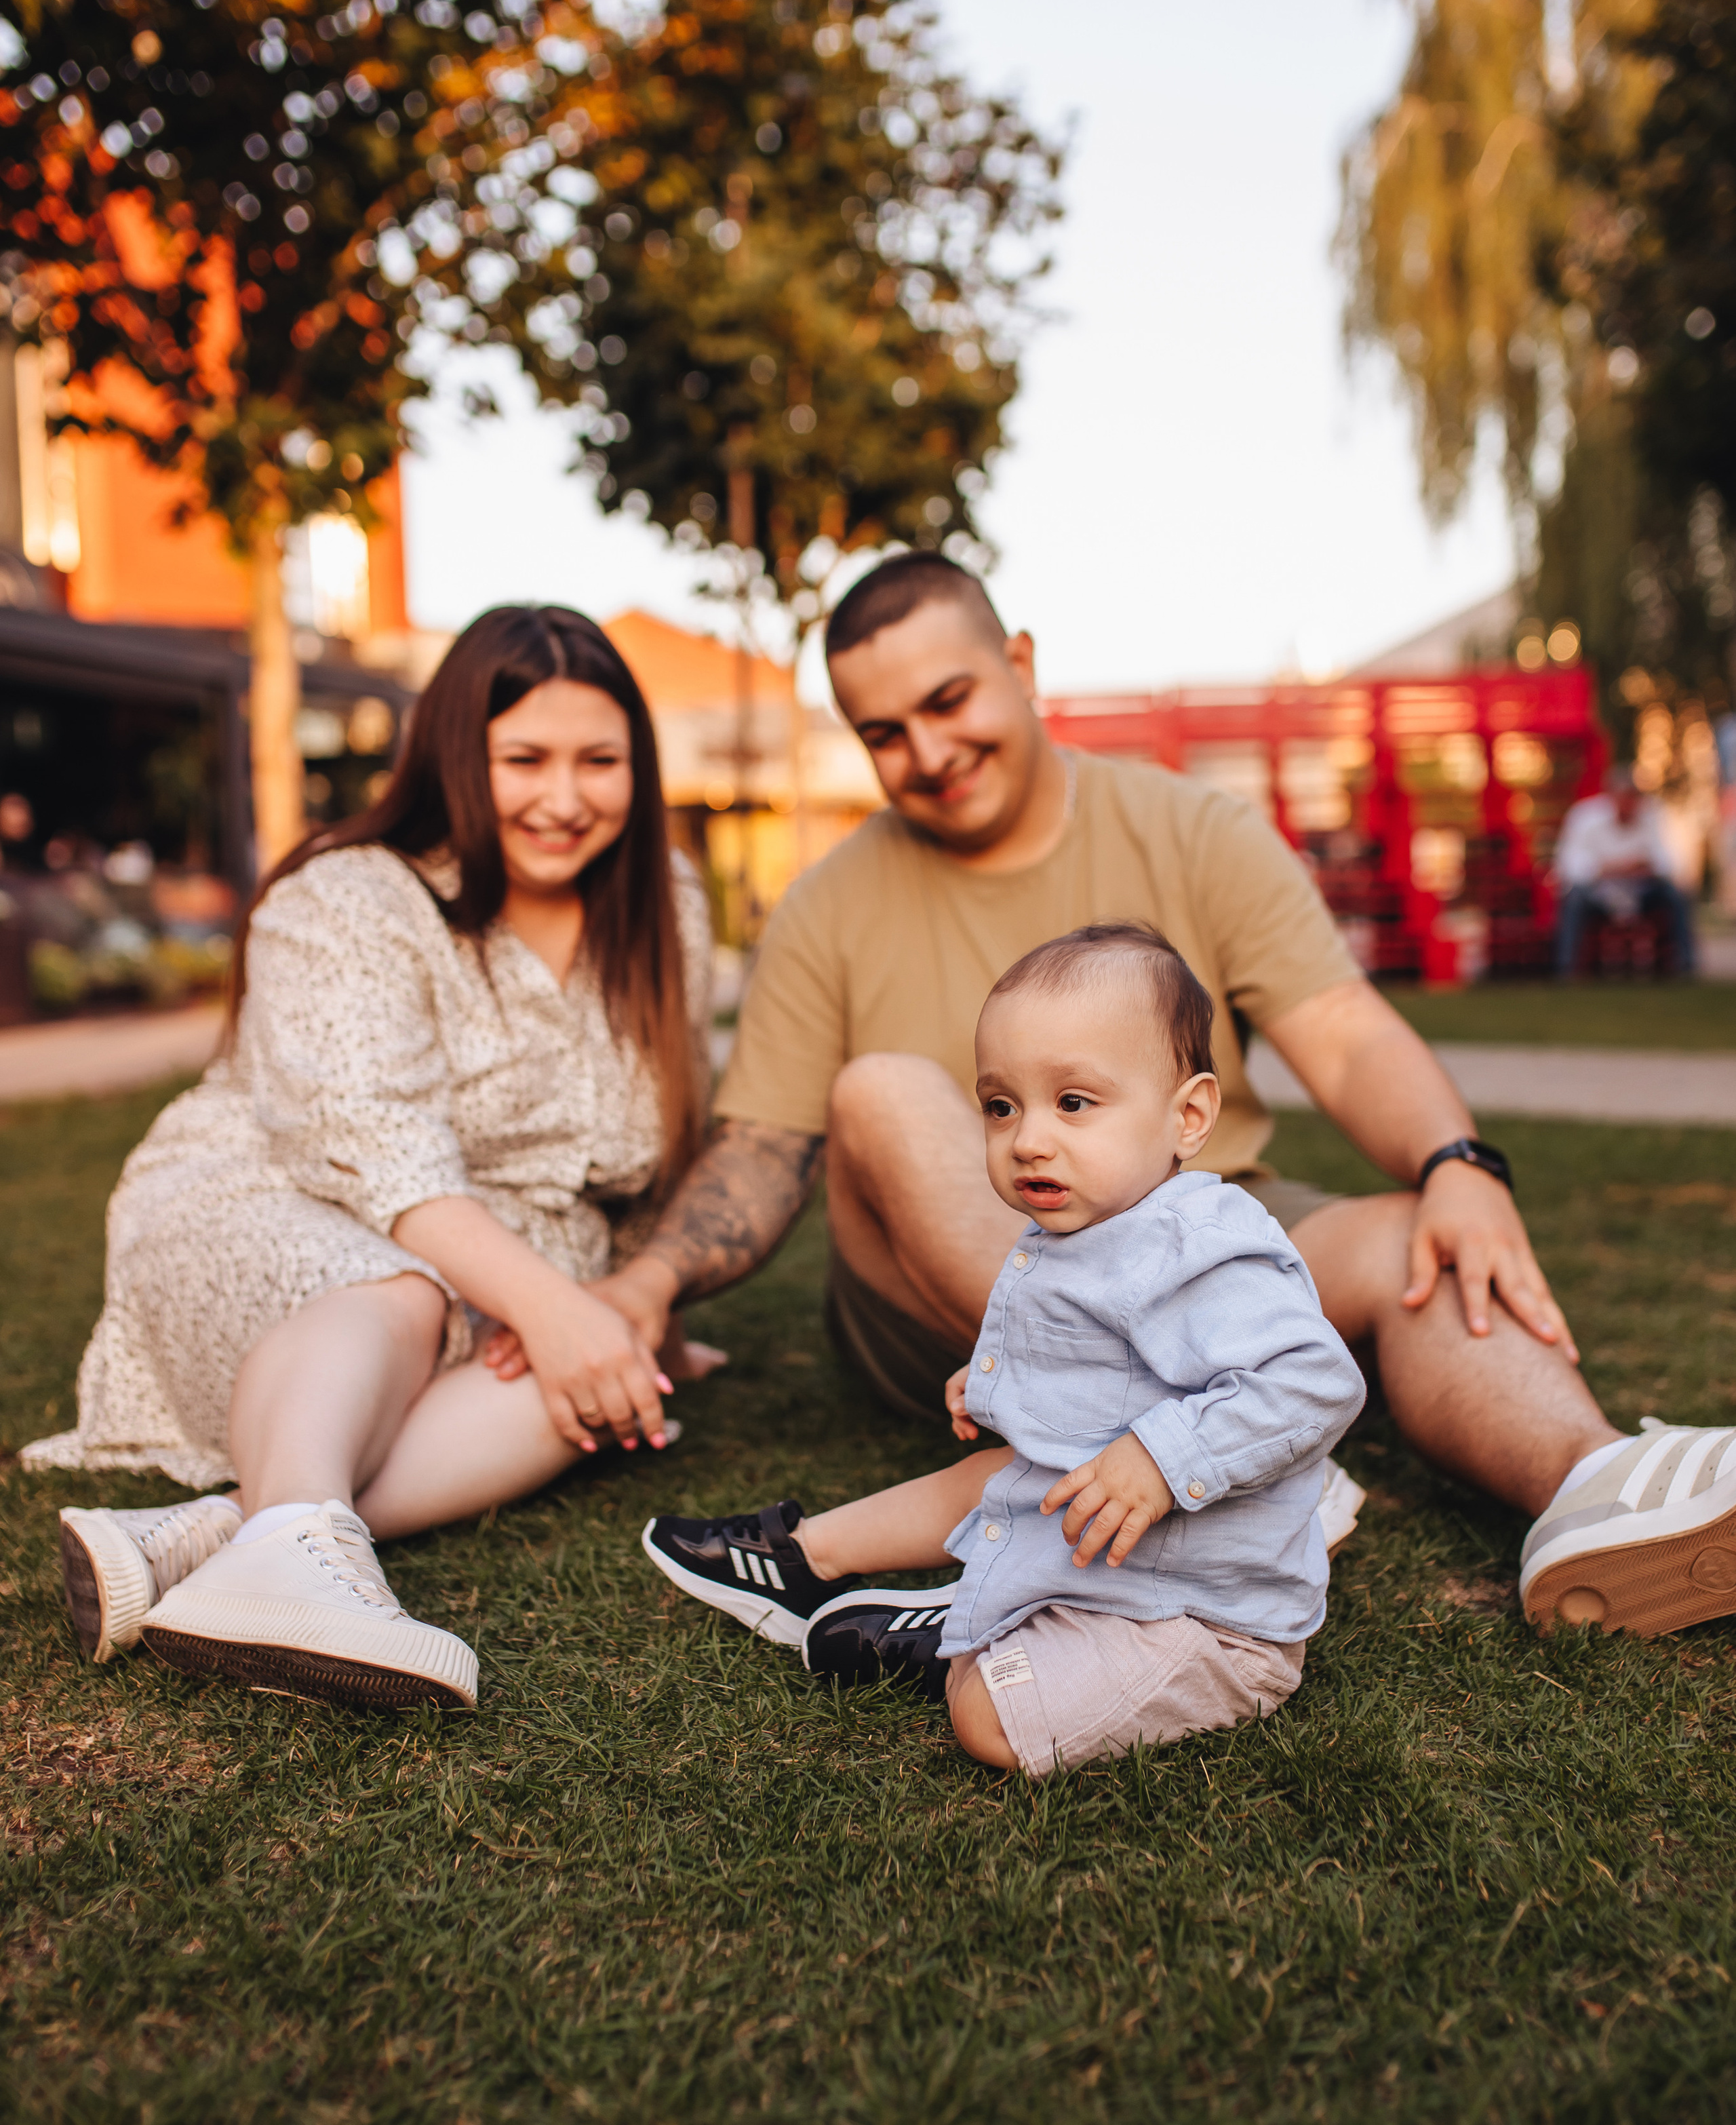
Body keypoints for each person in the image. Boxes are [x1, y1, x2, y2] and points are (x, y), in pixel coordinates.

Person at [599, 552, 1736, 1641]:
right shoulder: (826, 906)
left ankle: (1595, 1494)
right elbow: (761, 1147)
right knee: (886, 1092)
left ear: (1023, 665)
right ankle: (1219, 1449)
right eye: (885, 734)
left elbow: (1338, 1033)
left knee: (1410, 1239)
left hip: (1198, 1223)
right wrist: (649, 1283)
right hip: (967, 1296)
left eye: (950, 700)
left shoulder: (1195, 829)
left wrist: (1458, 1166)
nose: (931, 751)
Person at [24, 605, 715, 1711]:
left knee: (582, 1392)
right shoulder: (349, 893)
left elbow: (656, 1139)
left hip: (508, 1266)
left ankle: (221, 1542)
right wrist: (552, 1303)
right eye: (523, 759)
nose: (565, 797)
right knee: (412, 1293)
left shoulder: (664, 903)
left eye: (601, 761)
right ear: (453, 758)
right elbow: (373, 1148)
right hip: (271, 1206)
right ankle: (300, 1551)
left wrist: (624, 1300)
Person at [644, 925, 1368, 1776]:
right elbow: (1094, 1360)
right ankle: (804, 1561)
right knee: (991, 1477)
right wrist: (994, 1380)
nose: (1027, 1138)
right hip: (1116, 1552)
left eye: (1073, 1103)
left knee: (986, 1721)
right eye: (1000, 1106)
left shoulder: (1201, 1247)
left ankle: (963, 1637)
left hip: (1199, 1620)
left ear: (1188, 1116)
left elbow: (1314, 1379)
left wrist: (1161, 1458)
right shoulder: (1096, 1218)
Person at [1553, 764, 1697, 976]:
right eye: (1624, 798)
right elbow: (1569, 866)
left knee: (1677, 895)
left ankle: (1684, 964)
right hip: (1598, 892)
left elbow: (1667, 862)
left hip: (1640, 890)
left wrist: (1645, 868)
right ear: (1610, 796)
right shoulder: (1585, 817)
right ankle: (1566, 967)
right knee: (1574, 899)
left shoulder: (1652, 816)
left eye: (1634, 799)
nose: (1630, 805)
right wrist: (1615, 868)